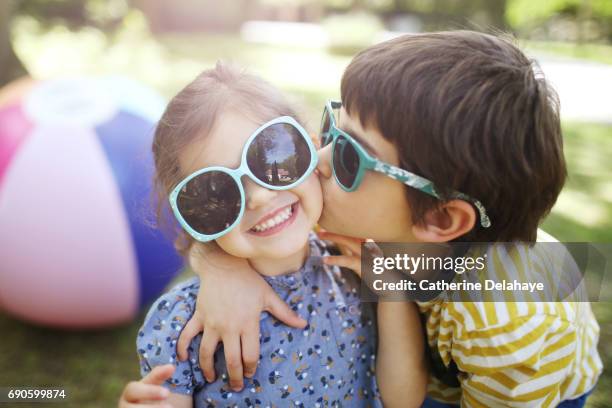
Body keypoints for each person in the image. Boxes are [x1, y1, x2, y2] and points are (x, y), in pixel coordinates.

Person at [178, 31, 602, 407]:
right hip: (432, 362)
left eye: (347, 156)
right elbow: (245, 224)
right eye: (332, 130)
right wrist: (222, 267)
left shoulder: (512, 326)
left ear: (439, 219)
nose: (318, 159)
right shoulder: (366, 214)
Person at [118, 62, 426, 408]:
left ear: (311, 149)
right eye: (216, 192)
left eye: (273, 158)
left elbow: (404, 401)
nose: (259, 197)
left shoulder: (354, 269)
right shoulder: (183, 322)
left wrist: (392, 295)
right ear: (192, 218)